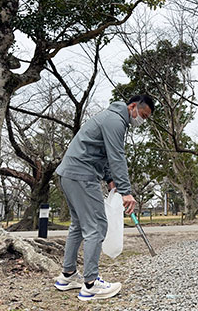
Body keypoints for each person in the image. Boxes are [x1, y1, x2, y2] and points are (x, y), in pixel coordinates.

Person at [53, 94, 154, 301]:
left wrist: (110, 180)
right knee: (97, 225)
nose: (141, 120)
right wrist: (126, 191)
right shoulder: (116, 121)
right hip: (82, 175)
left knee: (79, 224)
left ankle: (68, 275)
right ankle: (91, 284)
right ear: (133, 106)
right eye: (142, 115)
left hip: (69, 173)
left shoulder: (110, 117)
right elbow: (117, 155)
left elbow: (105, 154)